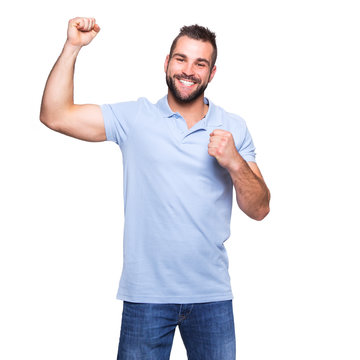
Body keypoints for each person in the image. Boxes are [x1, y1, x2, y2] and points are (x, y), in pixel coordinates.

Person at [40, 17, 270, 360]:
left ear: (212, 73)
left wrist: (235, 161)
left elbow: (260, 209)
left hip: (211, 295)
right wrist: (73, 46)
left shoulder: (233, 127)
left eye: (200, 63)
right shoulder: (135, 119)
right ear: (167, 63)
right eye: (181, 59)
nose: (188, 70)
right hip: (146, 295)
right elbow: (55, 115)